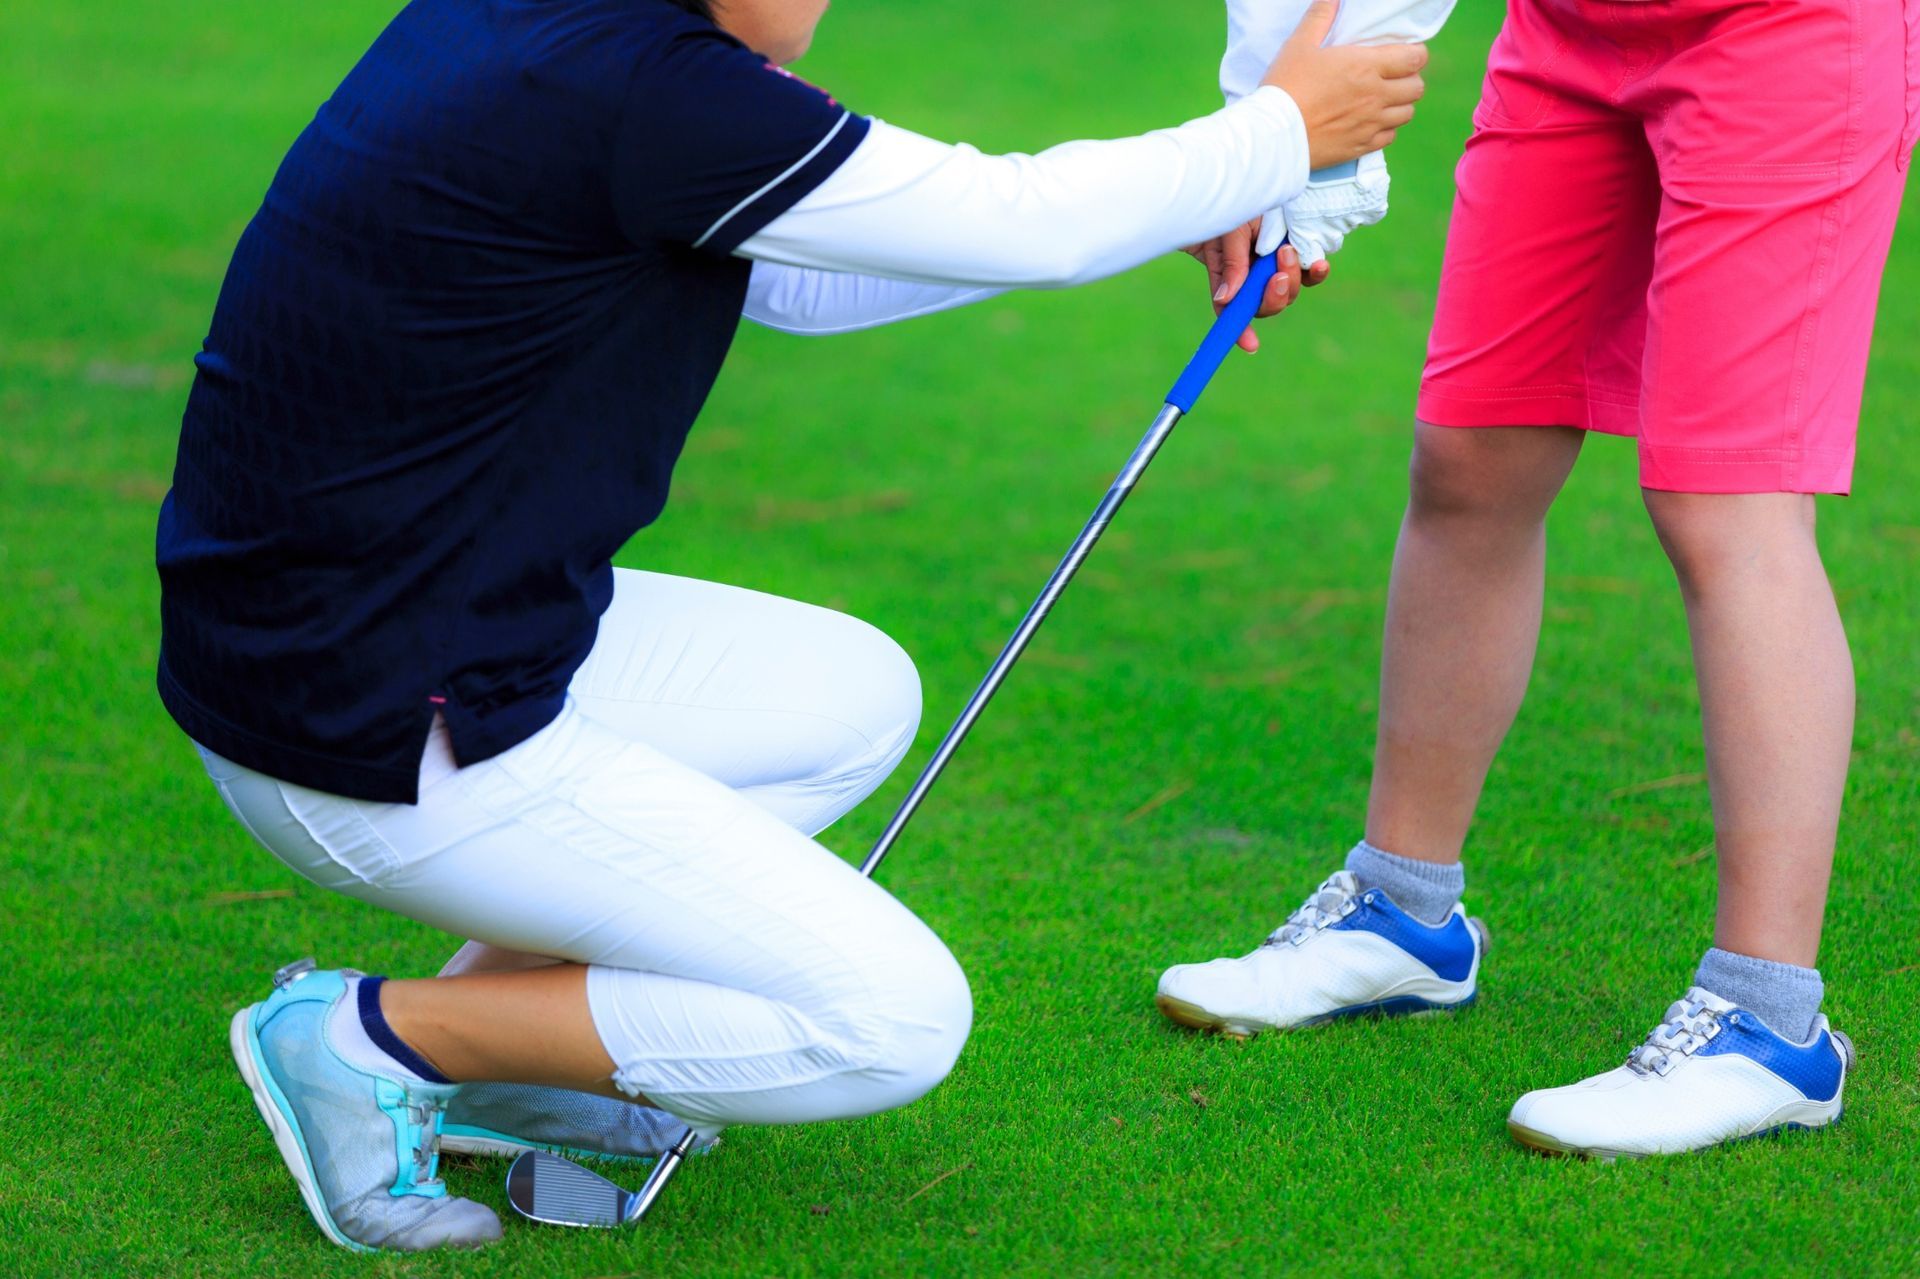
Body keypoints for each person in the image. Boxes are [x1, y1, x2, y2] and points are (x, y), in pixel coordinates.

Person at [159, 0, 1427, 1253]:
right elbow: (1027, 222)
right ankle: (363, 1039)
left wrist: (1184, 202)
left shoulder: (563, 32)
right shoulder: (648, 86)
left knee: (844, 697)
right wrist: (1275, 132)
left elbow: (801, 284)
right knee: (892, 1020)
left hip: (356, 637)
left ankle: (493, 1047)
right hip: (369, 724)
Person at [1161, 0, 1915, 1158]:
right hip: (1567, 33)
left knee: (1725, 499)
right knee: (1473, 451)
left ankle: (1771, 1025)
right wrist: (1275, 146)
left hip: (1789, 30)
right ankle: (1404, 908)